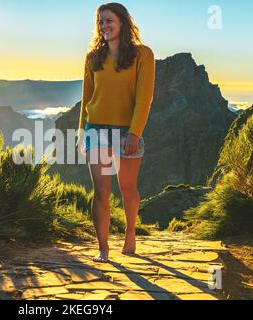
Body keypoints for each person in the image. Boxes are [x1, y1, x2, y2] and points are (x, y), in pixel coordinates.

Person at [76, 2, 156, 263]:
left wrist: (134, 133)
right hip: (95, 130)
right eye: (100, 22)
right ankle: (103, 249)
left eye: (109, 20)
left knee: (128, 188)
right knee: (101, 191)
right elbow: (86, 97)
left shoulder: (143, 54)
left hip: (126, 132)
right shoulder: (92, 59)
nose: (104, 26)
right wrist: (80, 132)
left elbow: (144, 99)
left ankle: (130, 232)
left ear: (122, 22)